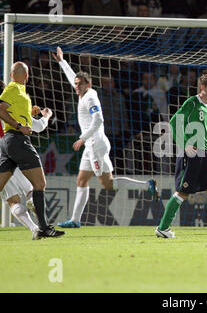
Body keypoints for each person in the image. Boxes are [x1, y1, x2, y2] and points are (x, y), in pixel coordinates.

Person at [52, 47, 159, 229]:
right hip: (92, 145)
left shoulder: (91, 98)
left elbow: (99, 119)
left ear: (89, 84)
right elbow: (72, 78)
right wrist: (62, 61)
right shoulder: (83, 92)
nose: (76, 86)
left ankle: (146, 185)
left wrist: (83, 138)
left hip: (95, 145)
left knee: (107, 184)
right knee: (81, 180)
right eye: (76, 84)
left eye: (80, 84)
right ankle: (75, 220)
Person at [156, 73, 207, 239]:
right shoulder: (192, 103)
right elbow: (173, 122)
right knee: (182, 193)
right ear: (203, 87)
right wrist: (184, 144)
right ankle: (162, 228)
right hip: (191, 157)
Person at [0, 62, 65, 239]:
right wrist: (35, 120)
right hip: (17, 142)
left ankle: (38, 227)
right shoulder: (12, 91)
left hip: (6, 145)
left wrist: (29, 113)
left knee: (13, 198)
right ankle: (42, 227)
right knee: (38, 185)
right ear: (26, 76)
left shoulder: (19, 96)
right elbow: (34, 126)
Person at [0, 104, 54, 238]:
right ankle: (31, 200)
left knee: (13, 201)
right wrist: (46, 115)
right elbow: (39, 126)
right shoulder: (10, 107)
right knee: (33, 189)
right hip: (11, 150)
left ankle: (34, 229)